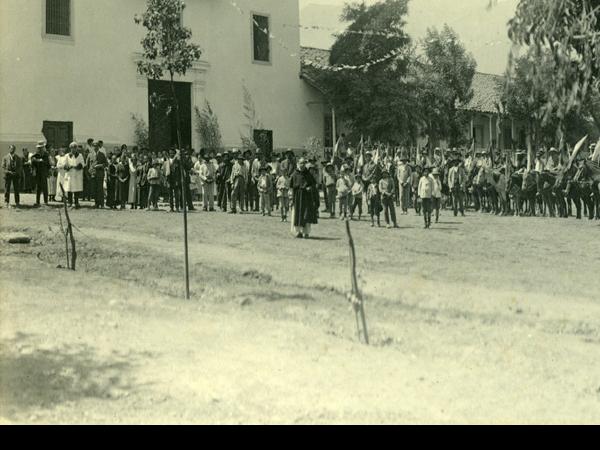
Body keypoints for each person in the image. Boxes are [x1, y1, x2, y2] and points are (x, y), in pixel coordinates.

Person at [290, 158, 318, 238]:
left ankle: (306, 232)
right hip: (297, 197)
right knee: (297, 214)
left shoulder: (308, 174)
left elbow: (313, 185)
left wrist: (310, 188)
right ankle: (299, 232)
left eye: (304, 163)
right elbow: (292, 187)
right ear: (298, 163)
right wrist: (291, 198)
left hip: (306, 197)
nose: (302, 165)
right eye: (301, 163)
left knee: (306, 214)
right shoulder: (295, 174)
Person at [64, 142, 85, 209]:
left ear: (76, 148)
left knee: (76, 189)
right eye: (72, 148)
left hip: (77, 175)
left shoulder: (80, 155)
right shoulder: (67, 155)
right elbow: (65, 164)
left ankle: (76, 202)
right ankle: (70, 202)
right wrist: (68, 166)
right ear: (70, 148)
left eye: (75, 148)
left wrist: (76, 166)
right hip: (70, 174)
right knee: (69, 188)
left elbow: (82, 164)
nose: (73, 149)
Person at [31, 141, 50, 206]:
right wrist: (38, 160)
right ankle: (37, 201)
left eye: (42, 147)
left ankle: (46, 201)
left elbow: (48, 164)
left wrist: (48, 172)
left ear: (43, 147)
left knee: (45, 188)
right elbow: (32, 161)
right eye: (39, 148)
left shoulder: (46, 154)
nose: (40, 149)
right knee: (38, 188)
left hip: (44, 173)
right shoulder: (36, 154)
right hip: (38, 173)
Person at [93, 144, 108, 208]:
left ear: (98, 147)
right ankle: (96, 203)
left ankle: (101, 204)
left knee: (100, 189)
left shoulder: (102, 154)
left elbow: (106, 164)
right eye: (94, 147)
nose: (95, 148)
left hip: (100, 174)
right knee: (95, 189)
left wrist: (100, 165)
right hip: (93, 175)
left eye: (96, 146)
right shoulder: (91, 155)